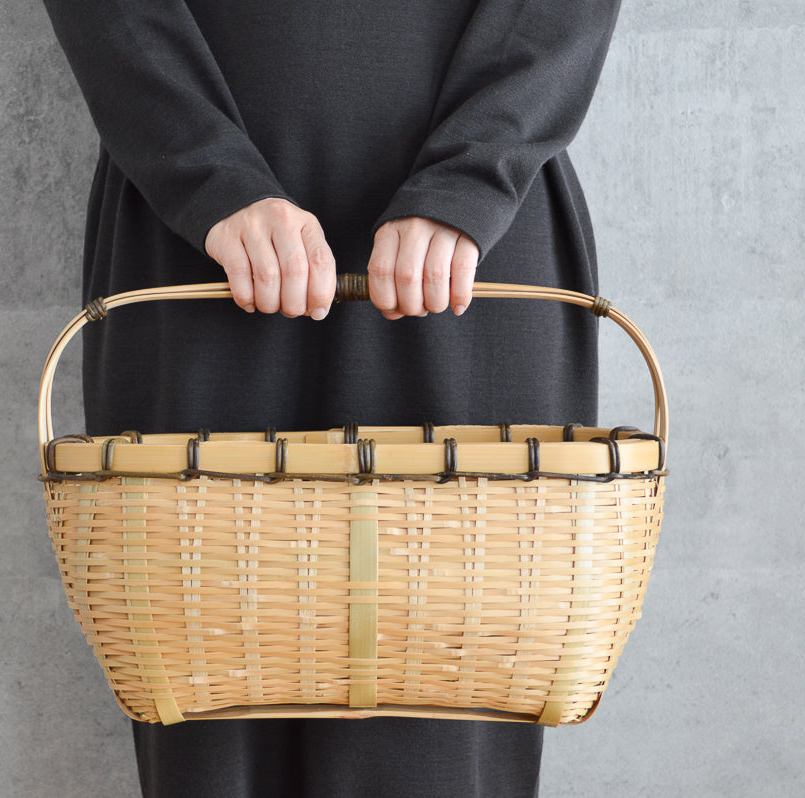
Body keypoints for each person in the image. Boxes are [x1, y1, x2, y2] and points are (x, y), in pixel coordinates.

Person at [41, 1, 621, 795]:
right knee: (213, 717)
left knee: (448, 730)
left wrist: (476, 170)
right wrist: (205, 171)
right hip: (202, 237)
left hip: (468, 251)